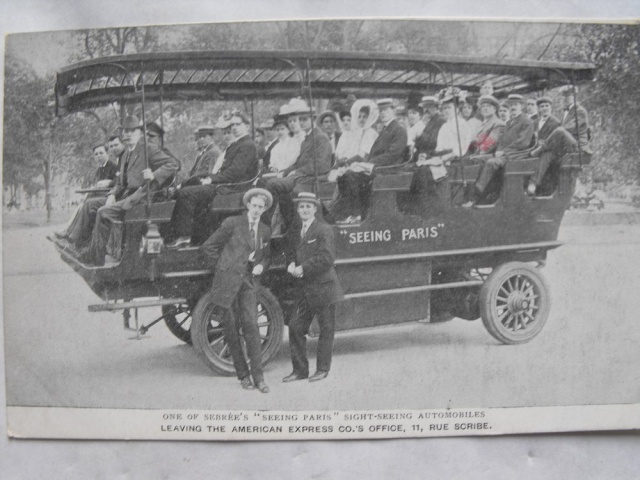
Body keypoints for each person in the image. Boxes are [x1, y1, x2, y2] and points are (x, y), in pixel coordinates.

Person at [199, 188, 272, 393]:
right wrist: (223, 268)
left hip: (248, 282)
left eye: (261, 207)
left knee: (252, 327)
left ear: (265, 209)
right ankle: (243, 377)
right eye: (254, 205)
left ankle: (259, 379)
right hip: (226, 282)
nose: (257, 210)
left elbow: (266, 256)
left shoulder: (265, 230)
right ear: (248, 205)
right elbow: (208, 247)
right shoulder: (232, 223)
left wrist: (261, 266)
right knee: (231, 330)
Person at [78, 116, 179, 265]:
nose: (129, 135)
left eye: (133, 131)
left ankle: (97, 258)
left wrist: (154, 175)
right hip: (127, 196)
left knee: (103, 212)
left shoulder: (147, 149)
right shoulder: (125, 154)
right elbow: (120, 181)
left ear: (139, 133)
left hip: (143, 197)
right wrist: (112, 194)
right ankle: (91, 251)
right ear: (122, 134)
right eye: (126, 131)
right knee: (94, 206)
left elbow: (173, 164)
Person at [167, 112, 259, 248]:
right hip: (226, 185)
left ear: (246, 125)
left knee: (186, 193)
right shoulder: (237, 144)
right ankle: (193, 235)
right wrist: (209, 178)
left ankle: (184, 236)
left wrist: (211, 180)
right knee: (189, 186)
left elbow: (235, 173)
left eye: (237, 124)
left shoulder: (247, 145)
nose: (234, 127)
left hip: (233, 188)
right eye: (232, 124)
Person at [282, 192, 344, 383]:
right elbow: (292, 253)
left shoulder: (323, 229)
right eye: (301, 207)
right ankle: (300, 371)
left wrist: (303, 268)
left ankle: (322, 369)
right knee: (295, 327)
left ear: (315, 209)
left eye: (308, 206)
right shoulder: (296, 230)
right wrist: (291, 264)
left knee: (326, 329)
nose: (304, 210)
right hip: (305, 289)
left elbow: (327, 258)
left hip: (323, 288)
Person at [260, 98, 332, 231]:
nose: (302, 122)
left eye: (305, 119)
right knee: (269, 181)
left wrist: (298, 172)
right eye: (300, 119)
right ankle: (287, 225)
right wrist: (285, 172)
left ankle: (264, 227)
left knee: (273, 184)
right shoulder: (307, 139)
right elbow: (298, 162)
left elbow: (321, 165)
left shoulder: (320, 138)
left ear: (313, 119)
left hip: (311, 178)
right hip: (302, 177)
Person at [331, 98, 407, 223]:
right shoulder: (386, 129)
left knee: (351, 175)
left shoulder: (398, 130)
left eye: (386, 110)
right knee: (345, 175)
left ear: (393, 111)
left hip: (389, 169)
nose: (382, 113)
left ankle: (357, 214)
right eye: (381, 110)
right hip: (379, 167)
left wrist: (369, 163)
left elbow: (393, 155)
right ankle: (346, 213)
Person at [465, 94, 534, 206]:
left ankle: (477, 193)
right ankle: (472, 193)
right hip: (503, 154)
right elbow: (502, 141)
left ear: (521, 106)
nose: (513, 107)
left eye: (516, 104)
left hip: (515, 155)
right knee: (476, 159)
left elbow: (522, 143)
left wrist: (504, 151)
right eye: (511, 104)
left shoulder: (526, 122)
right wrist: (499, 150)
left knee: (491, 163)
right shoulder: (509, 122)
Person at [526, 86, 592, 196]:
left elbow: (568, 128)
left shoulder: (580, 111)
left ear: (575, 96)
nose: (567, 99)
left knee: (559, 130)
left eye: (569, 96)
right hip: (566, 145)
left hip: (577, 146)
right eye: (565, 96)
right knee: (548, 154)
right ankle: (533, 184)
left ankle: (538, 150)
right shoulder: (567, 111)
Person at [54, 143, 118, 240]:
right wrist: (88, 194)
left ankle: (73, 236)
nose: (98, 156)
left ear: (107, 154)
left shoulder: (114, 166)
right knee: (81, 205)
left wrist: (109, 182)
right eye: (96, 154)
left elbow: (119, 182)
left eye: (101, 153)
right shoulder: (99, 170)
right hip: (99, 195)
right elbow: (96, 185)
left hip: (109, 197)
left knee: (87, 204)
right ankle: (68, 231)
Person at [333, 99, 379, 163]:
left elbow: (363, 155)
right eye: (359, 116)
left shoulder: (370, 133)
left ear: (369, 118)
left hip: (363, 163)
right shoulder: (356, 132)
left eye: (364, 117)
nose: (361, 119)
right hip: (353, 162)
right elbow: (351, 151)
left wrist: (348, 161)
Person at [413, 96, 446, 161]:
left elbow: (434, 142)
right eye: (424, 107)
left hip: (434, 157)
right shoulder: (424, 122)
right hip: (423, 156)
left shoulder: (440, 121)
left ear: (436, 108)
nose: (426, 110)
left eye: (429, 106)